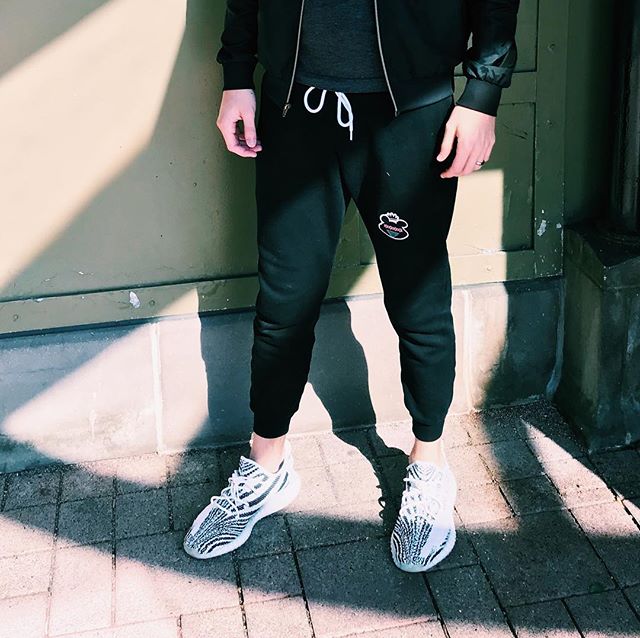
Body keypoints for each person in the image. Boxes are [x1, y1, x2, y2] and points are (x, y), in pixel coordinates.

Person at [184, 0, 519, 571]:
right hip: (295, 109)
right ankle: (266, 466)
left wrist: (483, 92)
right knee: (284, 302)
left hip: (410, 113)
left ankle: (429, 462)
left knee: (418, 301)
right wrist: (237, 75)